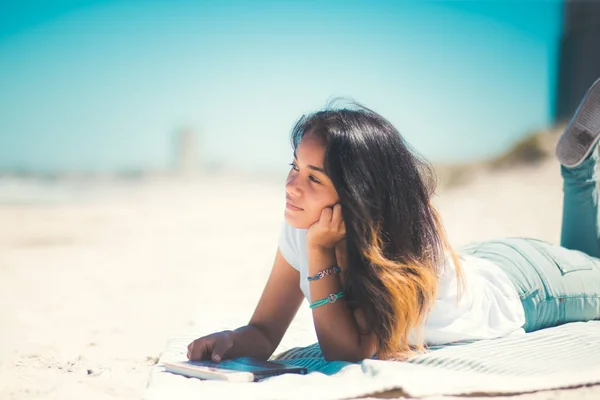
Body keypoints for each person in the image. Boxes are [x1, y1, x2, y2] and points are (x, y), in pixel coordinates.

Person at [187, 79, 600, 363]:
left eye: (314, 177)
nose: (292, 186)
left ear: (356, 193)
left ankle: (577, 172)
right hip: (484, 263)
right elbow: (263, 330)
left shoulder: (394, 247)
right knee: (587, 258)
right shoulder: (301, 224)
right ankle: (578, 171)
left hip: (532, 289)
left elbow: (347, 351)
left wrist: (318, 252)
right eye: (294, 167)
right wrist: (231, 340)